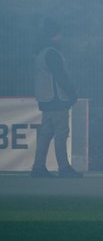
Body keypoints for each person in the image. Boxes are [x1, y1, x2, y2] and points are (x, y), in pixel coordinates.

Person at [31, 18, 82, 178]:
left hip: (46, 101)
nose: (62, 37)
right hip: (57, 100)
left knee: (45, 135)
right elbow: (61, 76)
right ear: (55, 34)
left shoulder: (41, 53)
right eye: (60, 34)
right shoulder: (53, 53)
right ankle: (64, 168)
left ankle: (38, 167)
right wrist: (73, 93)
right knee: (61, 133)